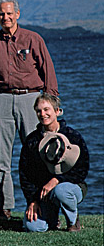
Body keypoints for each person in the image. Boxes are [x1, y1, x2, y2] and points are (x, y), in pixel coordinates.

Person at [0, 0, 59, 220]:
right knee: (2, 159)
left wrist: (50, 101)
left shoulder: (33, 39)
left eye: (10, 13)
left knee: (39, 155)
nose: (6, 17)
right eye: (1, 13)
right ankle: (4, 209)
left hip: (30, 101)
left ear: (17, 14)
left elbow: (47, 70)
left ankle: (43, 206)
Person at [19, 93, 89, 232]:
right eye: (39, 111)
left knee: (61, 191)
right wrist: (32, 200)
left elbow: (82, 169)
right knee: (32, 226)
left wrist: (57, 179)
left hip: (70, 188)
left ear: (57, 111)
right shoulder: (32, 140)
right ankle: (51, 219)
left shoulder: (73, 136)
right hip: (43, 194)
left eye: (46, 110)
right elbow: (25, 173)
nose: (42, 114)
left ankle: (73, 220)